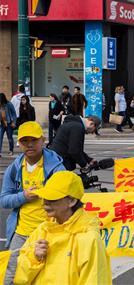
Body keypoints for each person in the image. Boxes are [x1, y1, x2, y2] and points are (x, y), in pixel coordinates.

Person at [13, 170, 112, 284]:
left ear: (72, 201)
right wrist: (35, 258)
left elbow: (94, 280)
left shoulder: (89, 238)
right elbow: (20, 279)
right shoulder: (42, 230)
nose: (45, 203)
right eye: (45, 197)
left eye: (52, 198)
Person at [0, 121, 65, 284]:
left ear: (43, 141)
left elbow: (68, 199)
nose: (29, 145)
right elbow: (4, 200)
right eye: (24, 141)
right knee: (12, 275)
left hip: (48, 233)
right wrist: (23, 196)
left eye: (34, 140)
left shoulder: (57, 168)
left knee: (47, 276)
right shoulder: (14, 168)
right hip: (21, 232)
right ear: (19, 143)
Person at [0, 93, 17, 157]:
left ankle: (11, 150)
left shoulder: (9, 104)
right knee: (0, 137)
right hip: (2, 124)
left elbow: (14, 113)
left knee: (9, 138)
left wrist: (13, 122)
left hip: (9, 123)